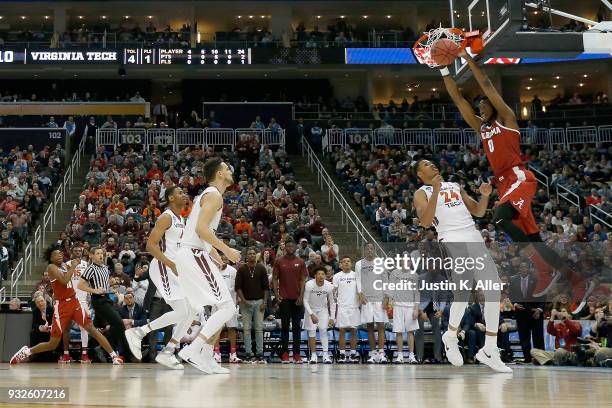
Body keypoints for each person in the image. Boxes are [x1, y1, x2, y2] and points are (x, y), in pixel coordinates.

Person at [441, 50, 594, 313]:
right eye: (479, 106)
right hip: (504, 183)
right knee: (536, 240)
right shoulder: (482, 129)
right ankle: (575, 280)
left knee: (499, 218)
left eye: (485, 104)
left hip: (519, 177)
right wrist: (443, 68)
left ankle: (543, 269)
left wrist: (468, 60)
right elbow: (457, 98)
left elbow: (487, 86)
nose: (481, 106)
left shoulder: (508, 120)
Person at [413, 159, 511, 372]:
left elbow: (478, 212)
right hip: (451, 238)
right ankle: (450, 335)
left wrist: (485, 196)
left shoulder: (455, 186)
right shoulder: (421, 193)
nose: (433, 165)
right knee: (463, 292)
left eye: (433, 163)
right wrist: (436, 190)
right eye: (427, 165)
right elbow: (426, 222)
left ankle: (490, 349)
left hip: (473, 235)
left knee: (493, 289)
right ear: (420, 174)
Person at [175, 157, 242, 374]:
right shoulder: (213, 195)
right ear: (220, 174)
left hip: (193, 253)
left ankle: (206, 357)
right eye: (226, 168)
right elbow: (201, 230)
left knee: (218, 308)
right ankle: (194, 349)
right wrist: (226, 250)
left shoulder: (208, 195)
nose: (230, 170)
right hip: (193, 254)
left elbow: (202, 231)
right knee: (227, 307)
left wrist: (214, 253)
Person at [10, 246, 122, 365]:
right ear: (51, 257)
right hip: (62, 306)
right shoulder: (51, 267)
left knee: (91, 329)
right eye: (56, 254)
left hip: (75, 301)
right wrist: (73, 266)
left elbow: (76, 276)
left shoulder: (65, 265)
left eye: (61, 253)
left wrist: (79, 262)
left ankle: (114, 356)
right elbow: (64, 281)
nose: (60, 255)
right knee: (52, 344)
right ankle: (27, 351)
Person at [124, 186, 193, 370]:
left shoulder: (181, 219)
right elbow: (150, 245)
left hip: (175, 270)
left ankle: (168, 351)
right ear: (170, 197)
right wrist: (170, 264)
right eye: (179, 192)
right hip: (163, 267)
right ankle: (138, 333)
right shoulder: (166, 216)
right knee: (181, 311)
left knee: (191, 311)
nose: (184, 195)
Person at [77, 247, 129, 362]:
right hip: (98, 300)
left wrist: (111, 285)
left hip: (107, 298)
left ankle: (105, 350)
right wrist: (95, 290)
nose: (101, 255)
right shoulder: (91, 268)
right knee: (119, 323)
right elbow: (80, 285)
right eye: (98, 253)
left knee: (115, 325)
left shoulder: (105, 268)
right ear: (91, 255)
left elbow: (105, 283)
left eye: (102, 253)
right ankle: (126, 350)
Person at [272, 239, 309, 364]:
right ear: (284, 248)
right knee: (285, 328)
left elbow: (303, 280)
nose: (290, 247)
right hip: (284, 299)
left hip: (297, 300)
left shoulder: (301, 262)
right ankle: (285, 354)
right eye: (287, 246)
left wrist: (301, 297)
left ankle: (297, 354)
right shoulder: (279, 261)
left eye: (292, 245)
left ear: (295, 247)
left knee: (297, 328)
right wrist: (276, 295)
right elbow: (275, 279)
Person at [356, 243, 389, 363]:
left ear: (374, 250)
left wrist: (386, 297)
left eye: (371, 248)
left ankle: (381, 353)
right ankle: (373, 353)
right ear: (364, 251)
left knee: (381, 326)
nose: (369, 250)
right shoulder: (359, 264)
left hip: (379, 298)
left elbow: (385, 279)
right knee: (369, 327)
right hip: (366, 300)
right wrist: (360, 294)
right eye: (367, 249)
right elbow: (358, 279)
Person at [235, 247, 269, 363]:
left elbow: (266, 288)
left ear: (256, 256)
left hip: (259, 302)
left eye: (254, 253)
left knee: (259, 329)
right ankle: (248, 353)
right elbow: (238, 287)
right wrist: (244, 301)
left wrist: (264, 302)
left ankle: (260, 353)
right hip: (245, 303)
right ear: (246, 256)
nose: (252, 255)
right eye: (250, 254)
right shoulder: (241, 269)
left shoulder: (261, 268)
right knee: (246, 329)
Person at [508, 262, 545, 364]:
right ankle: (527, 358)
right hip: (521, 313)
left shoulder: (536, 280)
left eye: (525, 267)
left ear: (529, 269)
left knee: (538, 337)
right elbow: (511, 296)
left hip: (535, 313)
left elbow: (543, 295)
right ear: (519, 269)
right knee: (524, 337)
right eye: (521, 267)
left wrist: (540, 309)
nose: (523, 269)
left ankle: (540, 359)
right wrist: (515, 304)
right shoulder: (514, 280)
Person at [61, 245, 92, 363]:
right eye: (76, 250)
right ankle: (66, 355)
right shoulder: (66, 265)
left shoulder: (87, 265)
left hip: (82, 300)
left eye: (80, 250)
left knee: (85, 328)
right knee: (66, 328)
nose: (78, 252)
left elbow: (90, 282)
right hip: (68, 300)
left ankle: (84, 354)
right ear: (71, 252)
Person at [387, 263, 419, 364]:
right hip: (397, 306)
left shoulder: (414, 275)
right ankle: (399, 355)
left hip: (410, 307)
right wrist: (390, 300)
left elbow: (416, 292)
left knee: (410, 332)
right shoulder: (394, 273)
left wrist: (416, 309)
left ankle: (411, 356)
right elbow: (391, 287)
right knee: (398, 331)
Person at [303, 266, 335, 364]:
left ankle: (326, 355)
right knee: (312, 332)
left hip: (323, 310)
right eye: (319, 274)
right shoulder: (309, 284)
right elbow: (305, 300)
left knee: (323, 330)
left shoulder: (329, 286)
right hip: (311, 310)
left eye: (323, 274)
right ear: (315, 276)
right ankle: (313, 356)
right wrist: (311, 314)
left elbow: (332, 303)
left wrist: (332, 318)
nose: (321, 276)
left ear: (325, 276)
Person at [214, 255, 242, 364]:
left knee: (232, 328)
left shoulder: (233, 271)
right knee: (216, 328)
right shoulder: (214, 269)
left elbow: (235, 288)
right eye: (221, 259)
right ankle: (216, 354)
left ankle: (233, 354)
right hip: (217, 304)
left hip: (230, 304)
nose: (223, 260)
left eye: (226, 259)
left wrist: (235, 304)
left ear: (228, 260)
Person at [333, 256, 361, 363]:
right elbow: (334, 291)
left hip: (354, 307)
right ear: (340, 264)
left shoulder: (356, 275)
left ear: (351, 264)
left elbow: (360, 290)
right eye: (344, 262)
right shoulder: (337, 276)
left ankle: (353, 354)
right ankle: (342, 354)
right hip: (342, 308)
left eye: (348, 261)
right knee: (342, 331)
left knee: (354, 331)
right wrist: (336, 304)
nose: (346, 263)